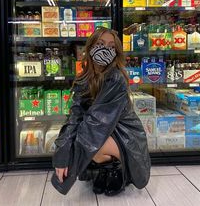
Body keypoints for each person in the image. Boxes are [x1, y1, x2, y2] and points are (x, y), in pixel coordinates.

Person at [51, 27, 151, 196]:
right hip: (104, 131)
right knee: (86, 140)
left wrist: (70, 163)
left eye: (111, 47)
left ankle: (118, 171)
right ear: (90, 48)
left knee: (93, 144)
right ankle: (106, 171)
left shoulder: (116, 79)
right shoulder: (84, 78)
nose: (106, 49)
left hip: (125, 135)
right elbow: (74, 117)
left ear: (116, 52)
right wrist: (62, 153)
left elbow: (95, 124)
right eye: (101, 44)